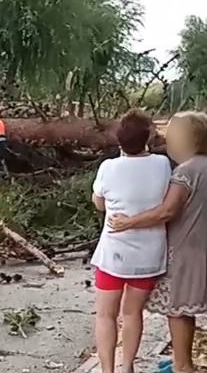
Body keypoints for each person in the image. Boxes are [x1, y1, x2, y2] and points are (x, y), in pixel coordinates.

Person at [108, 111, 207, 373]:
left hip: (184, 252)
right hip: (201, 249)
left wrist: (128, 222)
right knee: (188, 309)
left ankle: (182, 366)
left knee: (178, 310)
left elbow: (166, 211)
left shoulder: (185, 172)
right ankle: (180, 360)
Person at [90, 109, 171, 373]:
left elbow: (99, 204)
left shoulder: (108, 167)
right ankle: (127, 367)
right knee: (132, 313)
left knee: (105, 315)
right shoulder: (162, 164)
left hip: (115, 253)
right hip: (149, 254)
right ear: (148, 137)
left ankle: (107, 370)